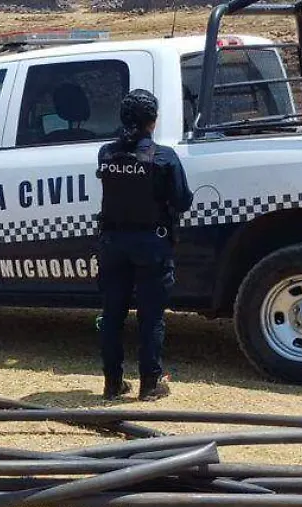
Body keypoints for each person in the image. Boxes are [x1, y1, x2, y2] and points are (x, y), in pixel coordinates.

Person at [95, 88, 193, 401]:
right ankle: (150, 383)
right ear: (153, 121)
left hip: (112, 243)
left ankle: (113, 383)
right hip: (151, 244)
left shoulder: (106, 154)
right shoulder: (163, 156)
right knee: (151, 317)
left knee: (112, 315)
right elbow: (182, 200)